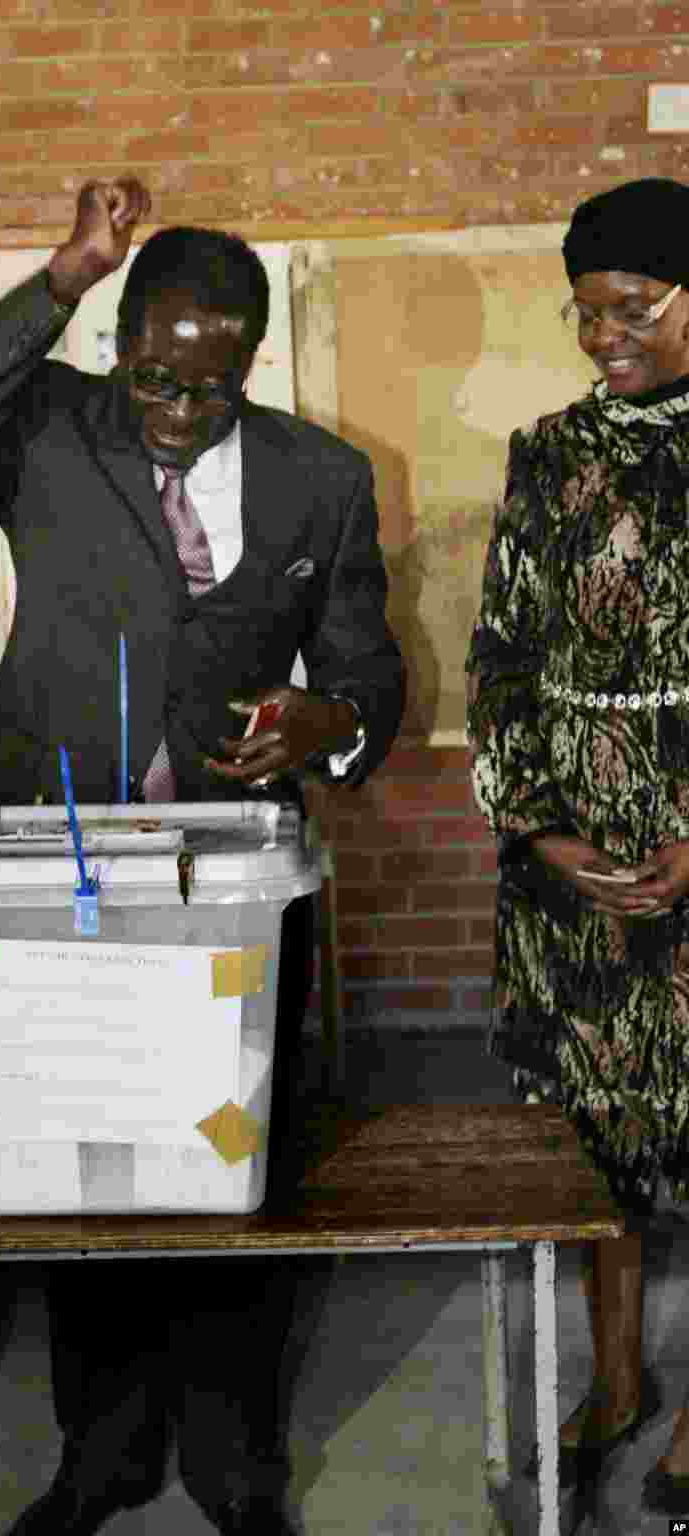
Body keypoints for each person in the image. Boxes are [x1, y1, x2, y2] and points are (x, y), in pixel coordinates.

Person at [0, 176, 404, 1535]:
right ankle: (103, 1456)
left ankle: (237, 1468)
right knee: (80, 1157)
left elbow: (364, 665)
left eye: (210, 387)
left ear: (251, 359)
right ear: (119, 345)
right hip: (47, 859)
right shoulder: (49, 430)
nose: (177, 412)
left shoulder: (323, 477)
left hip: (231, 879)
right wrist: (61, 276)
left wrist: (326, 721)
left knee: (238, 1164)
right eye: (155, 377)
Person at [466, 176, 689, 1514]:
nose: (606, 334)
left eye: (634, 308)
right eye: (586, 311)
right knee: (590, 1143)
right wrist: (537, 822)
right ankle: (616, 1382)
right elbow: (501, 649)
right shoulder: (549, 451)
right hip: (572, 863)